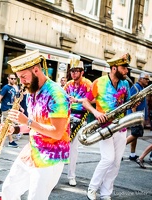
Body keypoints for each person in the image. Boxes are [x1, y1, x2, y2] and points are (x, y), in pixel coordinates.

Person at [0, 49, 70, 200]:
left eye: (24, 77)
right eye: (19, 78)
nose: (22, 82)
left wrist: (27, 121)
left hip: (51, 155)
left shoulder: (56, 94)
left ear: (36, 70)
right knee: (8, 190)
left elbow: (57, 132)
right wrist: (16, 128)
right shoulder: (32, 90)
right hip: (32, 149)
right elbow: (34, 125)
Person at [82, 53, 132, 200]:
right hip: (104, 127)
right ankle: (92, 188)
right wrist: (96, 113)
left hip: (121, 127)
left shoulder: (125, 84)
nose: (126, 71)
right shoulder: (99, 82)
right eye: (124, 68)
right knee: (108, 159)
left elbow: (128, 102)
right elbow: (85, 101)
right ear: (114, 67)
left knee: (116, 162)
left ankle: (106, 192)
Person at [63, 59, 92, 187]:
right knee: (61, 146)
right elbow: (61, 96)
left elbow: (93, 99)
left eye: (76, 71)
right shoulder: (68, 84)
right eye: (72, 71)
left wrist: (77, 100)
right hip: (67, 117)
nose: (73, 74)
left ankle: (71, 176)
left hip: (80, 117)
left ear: (82, 72)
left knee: (73, 149)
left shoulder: (87, 83)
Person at [126, 72, 150, 161]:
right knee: (135, 133)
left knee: (135, 134)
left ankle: (132, 154)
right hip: (135, 116)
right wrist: (135, 117)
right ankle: (117, 150)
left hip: (137, 116)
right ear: (140, 79)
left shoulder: (140, 88)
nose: (148, 80)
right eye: (146, 79)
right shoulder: (136, 88)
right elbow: (132, 103)